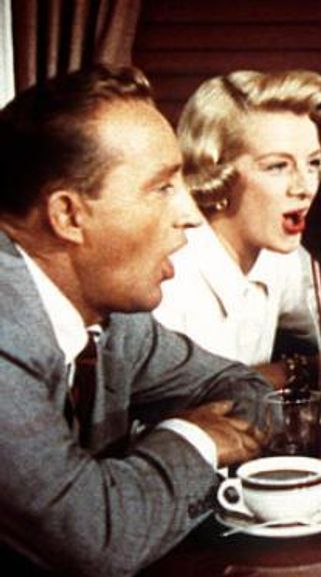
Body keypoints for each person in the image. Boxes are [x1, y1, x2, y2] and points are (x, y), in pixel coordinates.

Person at [0, 65, 270, 576]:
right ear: (69, 216)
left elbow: (245, 389)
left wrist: (142, 482)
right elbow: (99, 539)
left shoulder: (113, 321)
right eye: (162, 187)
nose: (190, 214)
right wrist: (196, 438)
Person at [153, 70, 321, 388]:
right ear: (216, 173)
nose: (306, 187)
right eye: (277, 166)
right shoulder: (167, 279)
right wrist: (293, 371)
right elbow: (186, 402)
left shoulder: (278, 253)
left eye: (313, 163)